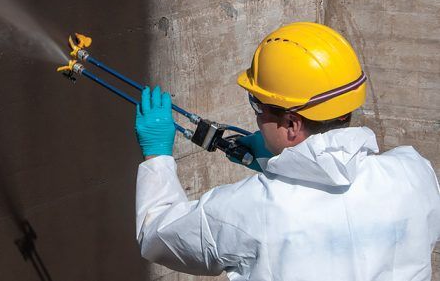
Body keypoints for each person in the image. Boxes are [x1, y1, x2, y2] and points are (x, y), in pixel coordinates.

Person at [134, 22, 440, 280]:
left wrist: (157, 155)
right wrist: (278, 161)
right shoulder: (414, 174)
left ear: (292, 124)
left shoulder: (246, 209)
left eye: (258, 105)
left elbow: (157, 236)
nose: (255, 116)